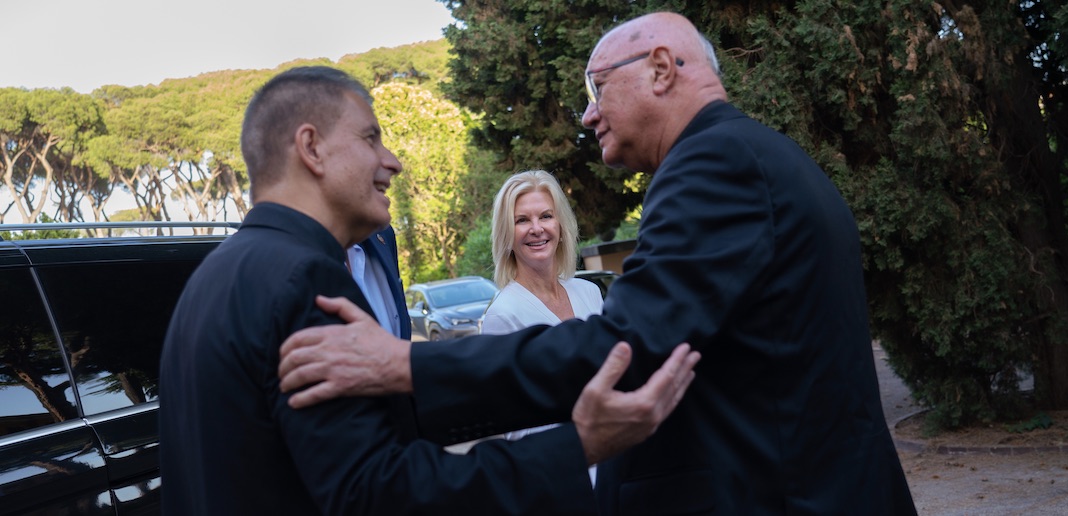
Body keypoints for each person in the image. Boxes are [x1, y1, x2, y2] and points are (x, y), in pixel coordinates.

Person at [278, 12, 917, 515]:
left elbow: (624, 347)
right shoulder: (752, 156)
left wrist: (403, 365)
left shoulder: (713, 164)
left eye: (596, 87)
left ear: (662, 68)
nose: (586, 115)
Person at [158, 65, 700, 515]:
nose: (390, 161)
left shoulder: (211, 277)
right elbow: (376, 491)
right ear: (311, 148)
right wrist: (578, 445)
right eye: (371, 137)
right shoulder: (305, 279)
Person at [477, 170, 605, 484]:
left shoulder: (589, 293)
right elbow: (511, 426)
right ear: (507, 234)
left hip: (616, 466)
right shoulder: (502, 315)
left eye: (546, 216)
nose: (537, 229)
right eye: (522, 220)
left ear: (560, 225)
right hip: (561, 478)